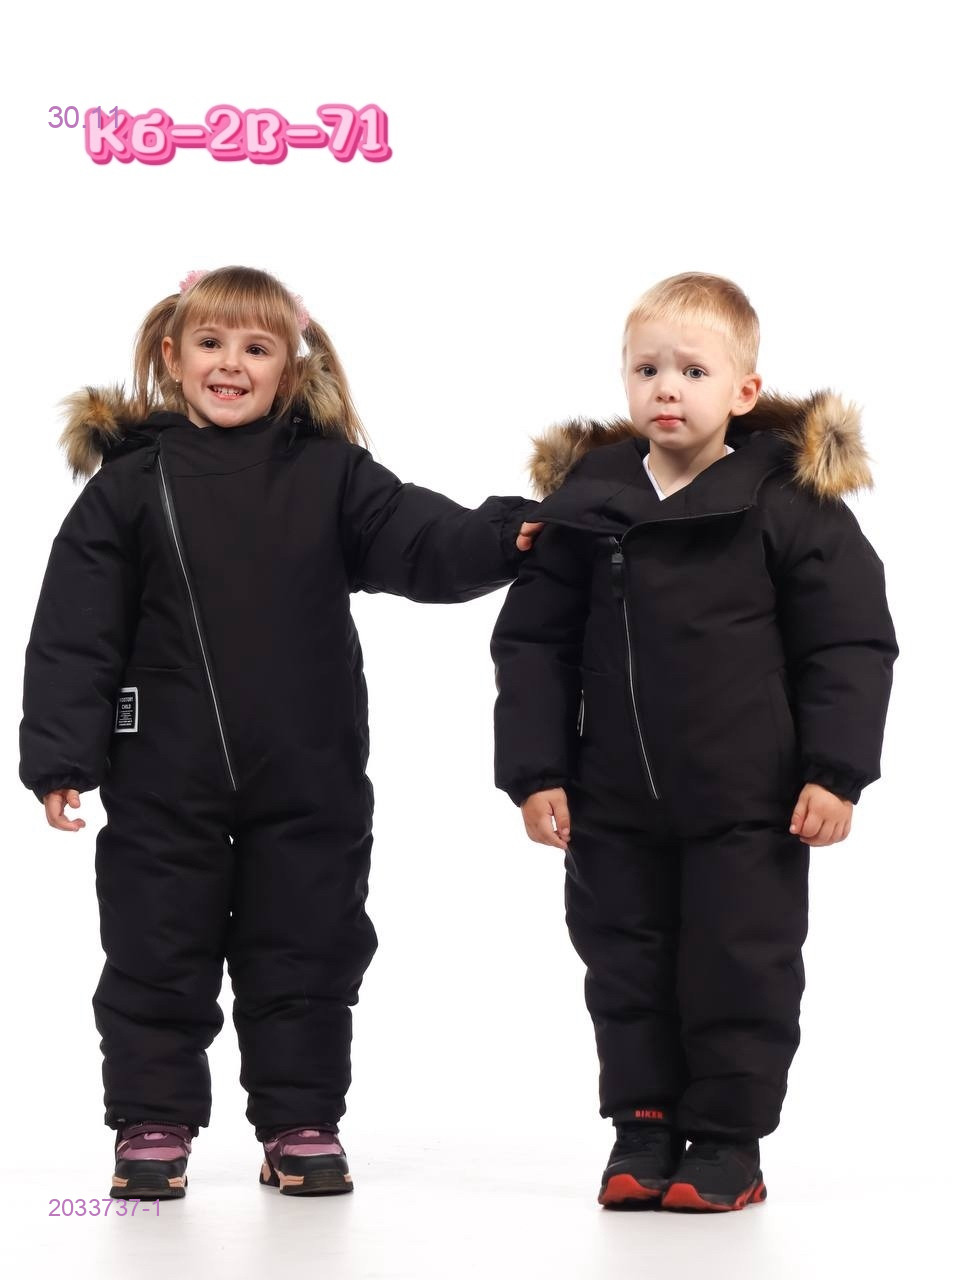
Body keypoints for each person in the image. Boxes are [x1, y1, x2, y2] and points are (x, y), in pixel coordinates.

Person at [19, 265, 542, 1200]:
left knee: (307, 944)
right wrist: (63, 755)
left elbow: (421, 539)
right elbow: (75, 629)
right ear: (172, 357)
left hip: (309, 770)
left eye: (256, 347)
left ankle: (300, 1122)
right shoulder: (131, 486)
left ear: (290, 370)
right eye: (211, 344)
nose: (232, 364)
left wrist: (505, 537)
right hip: (163, 772)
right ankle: (152, 1121)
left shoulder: (330, 475)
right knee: (155, 944)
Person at [491, 272, 897, 1212]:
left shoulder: (787, 503)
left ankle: (725, 1140)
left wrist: (835, 772)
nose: (666, 388)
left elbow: (848, 642)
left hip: (749, 799)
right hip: (613, 797)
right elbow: (535, 645)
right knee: (623, 959)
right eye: (647, 370)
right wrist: (537, 772)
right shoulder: (589, 502)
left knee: (739, 961)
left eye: (693, 371)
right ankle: (641, 1127)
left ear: (743, 392)